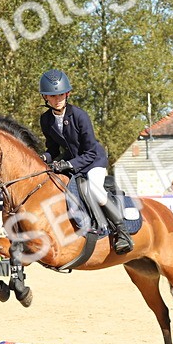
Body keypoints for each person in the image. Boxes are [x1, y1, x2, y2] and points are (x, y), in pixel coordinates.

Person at [37, 69, 133, 254]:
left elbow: (89, 151)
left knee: (96, 191)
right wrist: (42, 158)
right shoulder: (46, 119)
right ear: (45, 98)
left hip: (93, 161)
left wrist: (69, 165)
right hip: (73, 162)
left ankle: (122, 232)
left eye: (60, 94)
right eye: (52, 96)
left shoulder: (79, 116)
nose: (58, 99)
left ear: (67, 93)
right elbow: (53, 150)